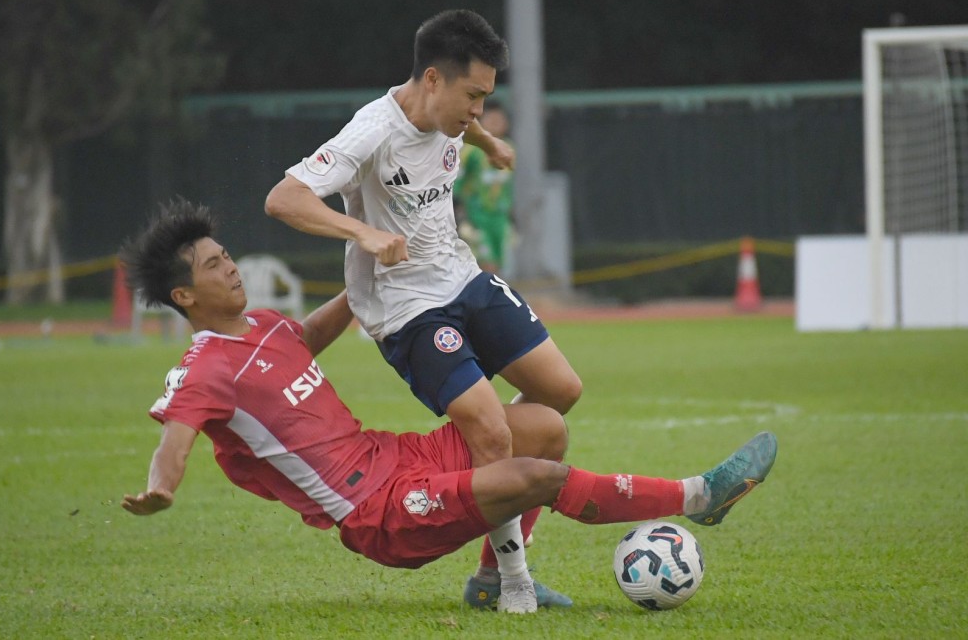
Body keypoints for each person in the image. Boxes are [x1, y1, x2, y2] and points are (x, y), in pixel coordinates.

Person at [119, 200, 779, 614]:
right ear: (184, 296)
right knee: (536, 478)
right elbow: (176, 436)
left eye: (227, 255)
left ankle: (493, 583)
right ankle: (698, 497)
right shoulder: (205, 366)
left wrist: (371, 269)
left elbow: (307, 337)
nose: (231, 267)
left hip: (398, 457)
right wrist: (159, 489)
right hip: (377, 512)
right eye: (213, 265)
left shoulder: (263, 324)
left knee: (542, 429)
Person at [264, 9, 583, 610]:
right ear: (432, 79)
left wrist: (488, 141)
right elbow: (284, 199)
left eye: (487, 99)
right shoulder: (371, 132)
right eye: (473, 96)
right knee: (491, 430)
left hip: (464, 276)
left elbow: (463, 129)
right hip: (408, 309)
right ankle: (508, 583)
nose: (478, 111)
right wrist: (360, 232)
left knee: (560, 392)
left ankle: (483, 467)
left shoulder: (453, 115)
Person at [454, 104, 516, 274]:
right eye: (491, 119)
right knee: (485, 264)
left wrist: (511, 213)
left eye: (500, 120)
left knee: (498, 263)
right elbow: (457, 181)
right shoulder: (470, 151)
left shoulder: (509, 148)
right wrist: (460, 211)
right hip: (477, 217)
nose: (496, 123)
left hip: (500, 217)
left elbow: (508, 186)